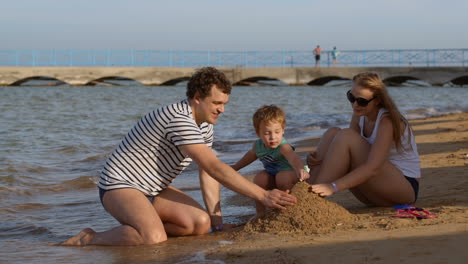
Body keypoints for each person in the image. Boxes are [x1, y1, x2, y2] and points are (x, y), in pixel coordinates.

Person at [61, 67, 297, 246]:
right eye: (216, 103)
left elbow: (207, 172)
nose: (221, 109)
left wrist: (218, 224)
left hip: (153, 190)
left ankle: (143, 225)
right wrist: (263, 195)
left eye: (224, 103)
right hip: (120, 186)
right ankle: (90, 238)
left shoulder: (205, 125)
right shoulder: (179, 118)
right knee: (153, 238)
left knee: (200, 224)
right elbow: (214, 167)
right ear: (197, 97)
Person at [307, 72, 420, 206]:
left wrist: (332, 187)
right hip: (376, 192)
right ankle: (307, 190)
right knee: (333, 133)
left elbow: (373, 167)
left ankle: (311, 199)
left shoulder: (387, 121)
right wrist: (317, 159)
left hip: (403, 187)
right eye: (351, 97)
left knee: (345, 135)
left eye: (362, 101)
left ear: (377, 100)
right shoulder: (360, 114)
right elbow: (345, 154)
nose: (355, 104)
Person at [231, 105, 309, 216]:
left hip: (293, 175)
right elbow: (248, 158)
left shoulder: (283, 146)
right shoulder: (258, 146)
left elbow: (294, 159)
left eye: (277, 132)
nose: (273, 137)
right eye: (267, 133)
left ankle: (287, 208)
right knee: (259, 178)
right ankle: (260, 213)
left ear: (283, 131)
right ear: (258, 133)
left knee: (282, 177)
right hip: (273, 175)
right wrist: (233, 168)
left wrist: (301, 169)